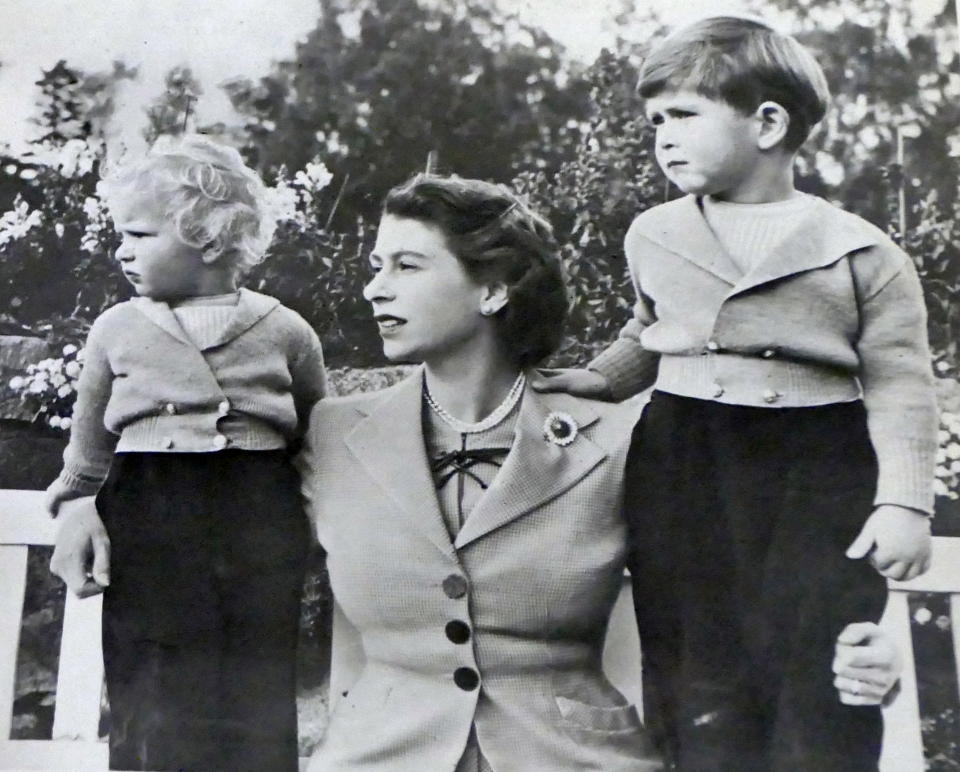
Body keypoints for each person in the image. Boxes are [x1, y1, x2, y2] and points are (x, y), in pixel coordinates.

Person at [50, 172, 902, 771]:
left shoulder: (619, 437)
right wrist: (89, 500)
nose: (372, 289)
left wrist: (854, 651)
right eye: (375, 265)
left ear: (493, 290)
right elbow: (200, 515)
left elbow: (741, 584)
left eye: (405, 266)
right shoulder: (332, 436)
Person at [534, 15, 937, 772]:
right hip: (685, 457)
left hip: (816, 469)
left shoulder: (861, 250)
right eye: (655, 120)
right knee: (695, 664)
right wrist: (598, 379)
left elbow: (901, 385)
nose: (663, 136)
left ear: (769, 122)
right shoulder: (653, 233)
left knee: (821, 664)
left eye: (683, 115)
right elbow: (648, 330)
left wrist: (904, 503)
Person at [45, 134, 327, 772]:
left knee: (254, 678)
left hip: (259, 513)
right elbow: (90, 443)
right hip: (150, 508)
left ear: (206, 236)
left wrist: (318, 511)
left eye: (139, 234)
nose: (121, 248)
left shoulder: (285, 329)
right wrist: (81, 504)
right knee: (154, 679)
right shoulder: (116, 328)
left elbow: (318, 432)